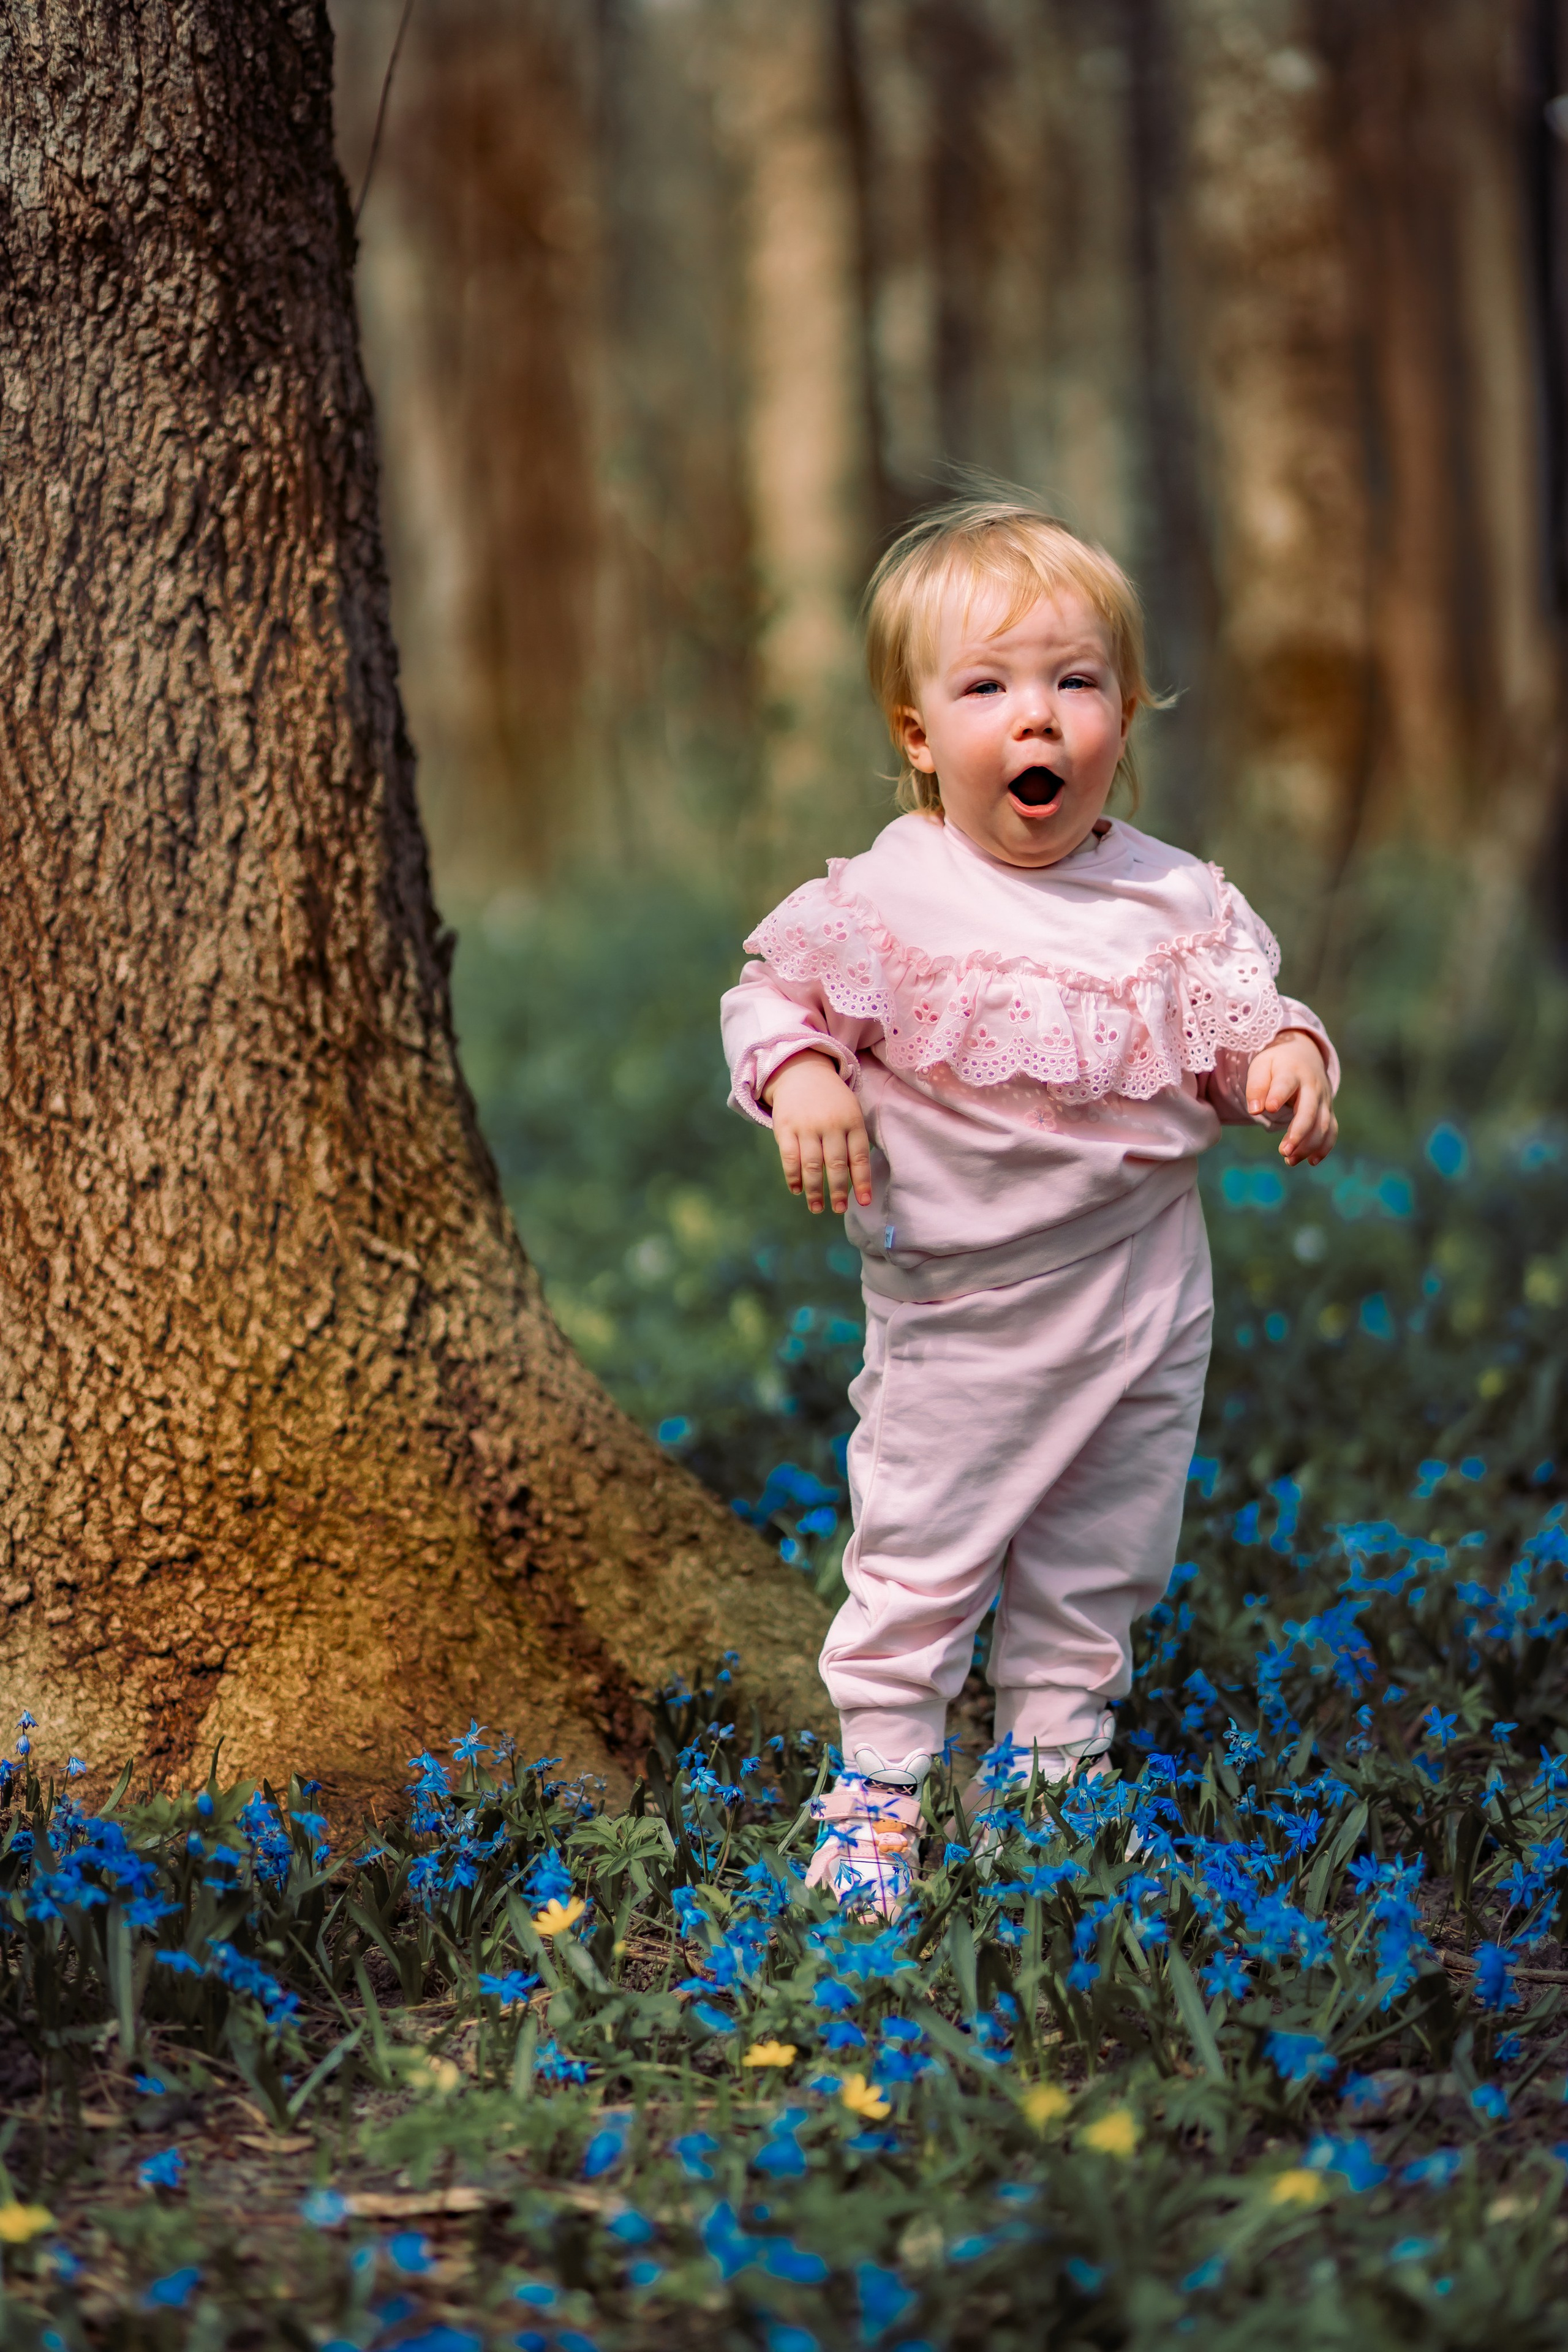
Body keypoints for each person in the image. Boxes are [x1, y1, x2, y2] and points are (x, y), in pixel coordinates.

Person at [720, 496, 1338, 1913]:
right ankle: (879, 1777)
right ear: (918, 736)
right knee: (919, 1546)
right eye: (987, 687)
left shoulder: (1173, 901)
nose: (1037, 720)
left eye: (1074, 682)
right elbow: (767, 995)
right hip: (959, 1303)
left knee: (1104, 1542)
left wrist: (1286, 1060)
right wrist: (804, 1075)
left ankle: (1049, 1768)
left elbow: (1241, 1023)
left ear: (1125, 711)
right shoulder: (893, 893)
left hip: (1138, 1289)